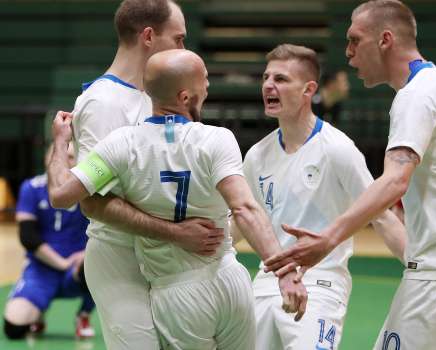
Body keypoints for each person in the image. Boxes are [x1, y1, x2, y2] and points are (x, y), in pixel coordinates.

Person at [264, 1, 436, 349]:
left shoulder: (415, 95)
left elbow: (395, 180)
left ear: (385, 39)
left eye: (355, 41)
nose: (349, 53)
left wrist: (328, 239)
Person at [47, 49, 307, 350]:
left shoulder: (121, 144)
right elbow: (246, 209)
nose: (207, 88)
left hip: (178, 293)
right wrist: (286, 272)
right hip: (230, 280)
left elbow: (60, 195)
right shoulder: (218, 139)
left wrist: (60, 141)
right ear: (185, 97)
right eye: (204, 81)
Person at [67, 1, 225, 349]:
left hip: (160, 259)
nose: (184, 49)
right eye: (179, 39)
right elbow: (93, 204)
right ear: (149, 36)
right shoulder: (104, 102)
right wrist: (176, 232)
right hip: (119, 259)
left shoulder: (155, 95)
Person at [237, 43, 406, 350]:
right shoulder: (257, 155)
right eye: (266, 77)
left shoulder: (337, 149)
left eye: (281, 79)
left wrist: (418, 265)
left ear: (308, 89)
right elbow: (241, 220)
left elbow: (380, 216)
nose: (269, 85)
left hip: (321, 284)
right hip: (265, 283)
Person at [3, 145, 95, 340]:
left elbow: (105, 233)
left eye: (71, 157)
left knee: (96, 263)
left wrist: (87, 254)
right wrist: (61, 263)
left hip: (77, 269)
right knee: (14, 329)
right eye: (58, 155)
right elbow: (28, 237)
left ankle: (84, 314)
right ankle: (37, 309)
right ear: (47, 159)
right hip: (41, 268)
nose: (64, 161)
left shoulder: (91, 192)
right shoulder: (32, 188)